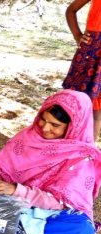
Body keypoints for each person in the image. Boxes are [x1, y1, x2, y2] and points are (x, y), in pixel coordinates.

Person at [0, 89, 101, 234]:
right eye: (43, 119)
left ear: (73, 126)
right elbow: (1, 172)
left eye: (55, 125)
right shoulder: (28, 137)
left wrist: (17, 190)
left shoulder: (82, 158)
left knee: (81, 227)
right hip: (8, 204)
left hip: (42, 214)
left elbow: (60, 203)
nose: (45, 128)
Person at [63, 0, 101, 141]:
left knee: (96, 111)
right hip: (91, 53)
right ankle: (63, 146)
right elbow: (71, 10)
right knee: (74, 101)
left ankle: (86, 150)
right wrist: (78, 35)